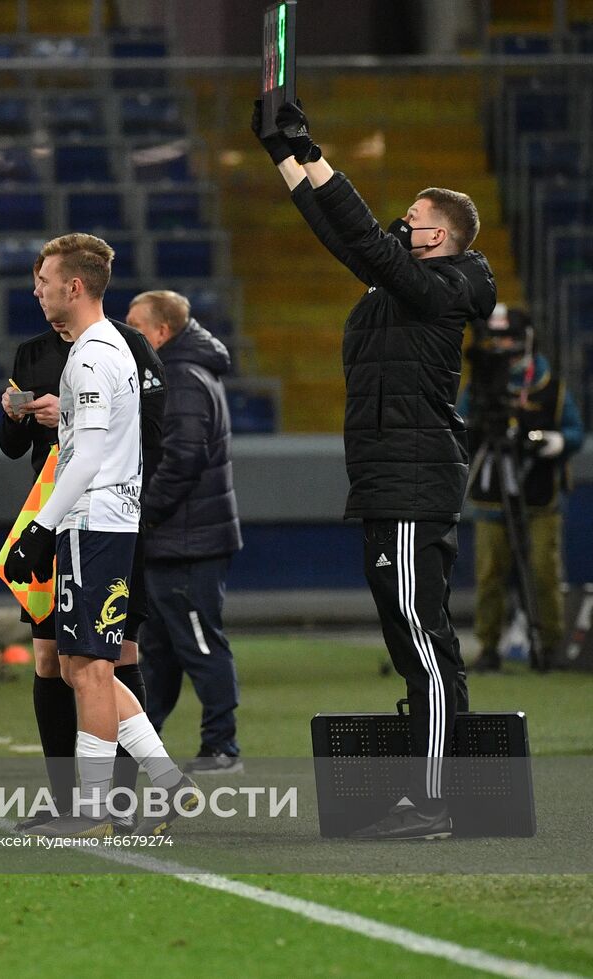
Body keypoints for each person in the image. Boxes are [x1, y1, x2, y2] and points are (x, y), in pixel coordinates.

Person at [256, 99, 496, 840]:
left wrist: (314, 150)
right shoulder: (405, 283)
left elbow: (364, 239)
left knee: (421, 642)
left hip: (412, 480)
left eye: (414, 216)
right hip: (392, 479)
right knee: (418, 640)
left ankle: (433, 804)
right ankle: (443, 791)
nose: (402, 222)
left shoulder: (448, 285)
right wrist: (285, 158)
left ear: (441, 235)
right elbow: (346, 240)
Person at [4, 233, 200, 838]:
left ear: (75, 286)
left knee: (87, 669)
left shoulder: (91, 356)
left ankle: (93, 810)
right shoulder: (107, 347)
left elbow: (85, 457)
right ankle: (168, 785)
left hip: (93, 523)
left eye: (44, 281)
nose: (36, 290)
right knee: (77, 667)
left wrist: (39, 529)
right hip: (100, 522)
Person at [127, 290, 244, 776]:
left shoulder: (182, 378)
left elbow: (182, 459)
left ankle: (222, 747)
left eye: (134, 326)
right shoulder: (179, 373)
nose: (125, 334)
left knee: (198, 644)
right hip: (176, 537)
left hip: (187, 539)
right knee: (160, 652)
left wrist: (144, 512)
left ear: (161, 331)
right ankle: (143, 743)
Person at [457, 305, 585, 672]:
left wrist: (555, 441)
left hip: (540, 492)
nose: (501, 345)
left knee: (544, 570)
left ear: (525, 338)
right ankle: (489, 647)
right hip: (492, 492)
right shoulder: (480, 384)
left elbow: (575, 431)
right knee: (489, 573)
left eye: (508, 337)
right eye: (495, 337)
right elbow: (462, 424)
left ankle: (550, 646)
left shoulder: (550, 387)